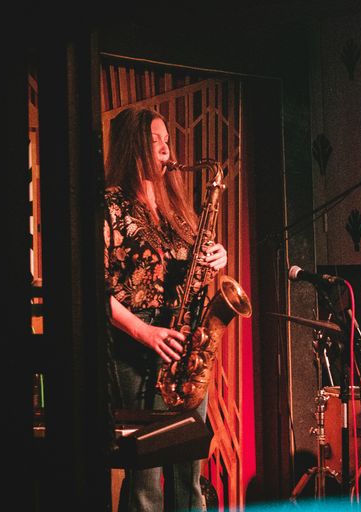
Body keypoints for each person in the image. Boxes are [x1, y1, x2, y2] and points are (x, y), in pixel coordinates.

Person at [103, 106, 227, 512]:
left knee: (188, 470)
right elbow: (91, 288)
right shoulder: (110, 205)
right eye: (154, 140)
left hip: (185, 341)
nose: (165, 149)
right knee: (146, 476)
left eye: (167, 141)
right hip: (137, 341)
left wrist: (217, 257)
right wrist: (145, 332)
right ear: (132, 146)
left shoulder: (175, 206)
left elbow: (193, 270)